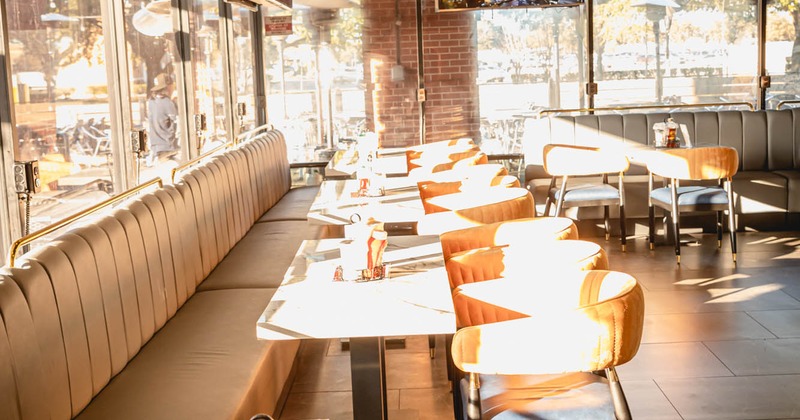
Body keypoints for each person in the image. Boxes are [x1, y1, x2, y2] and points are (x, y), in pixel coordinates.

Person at [147, 73, 179, 165]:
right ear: (168, 87)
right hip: (168, 148)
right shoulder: (168, 103)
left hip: (156, 148)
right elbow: (178, 123)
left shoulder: (151, 102)